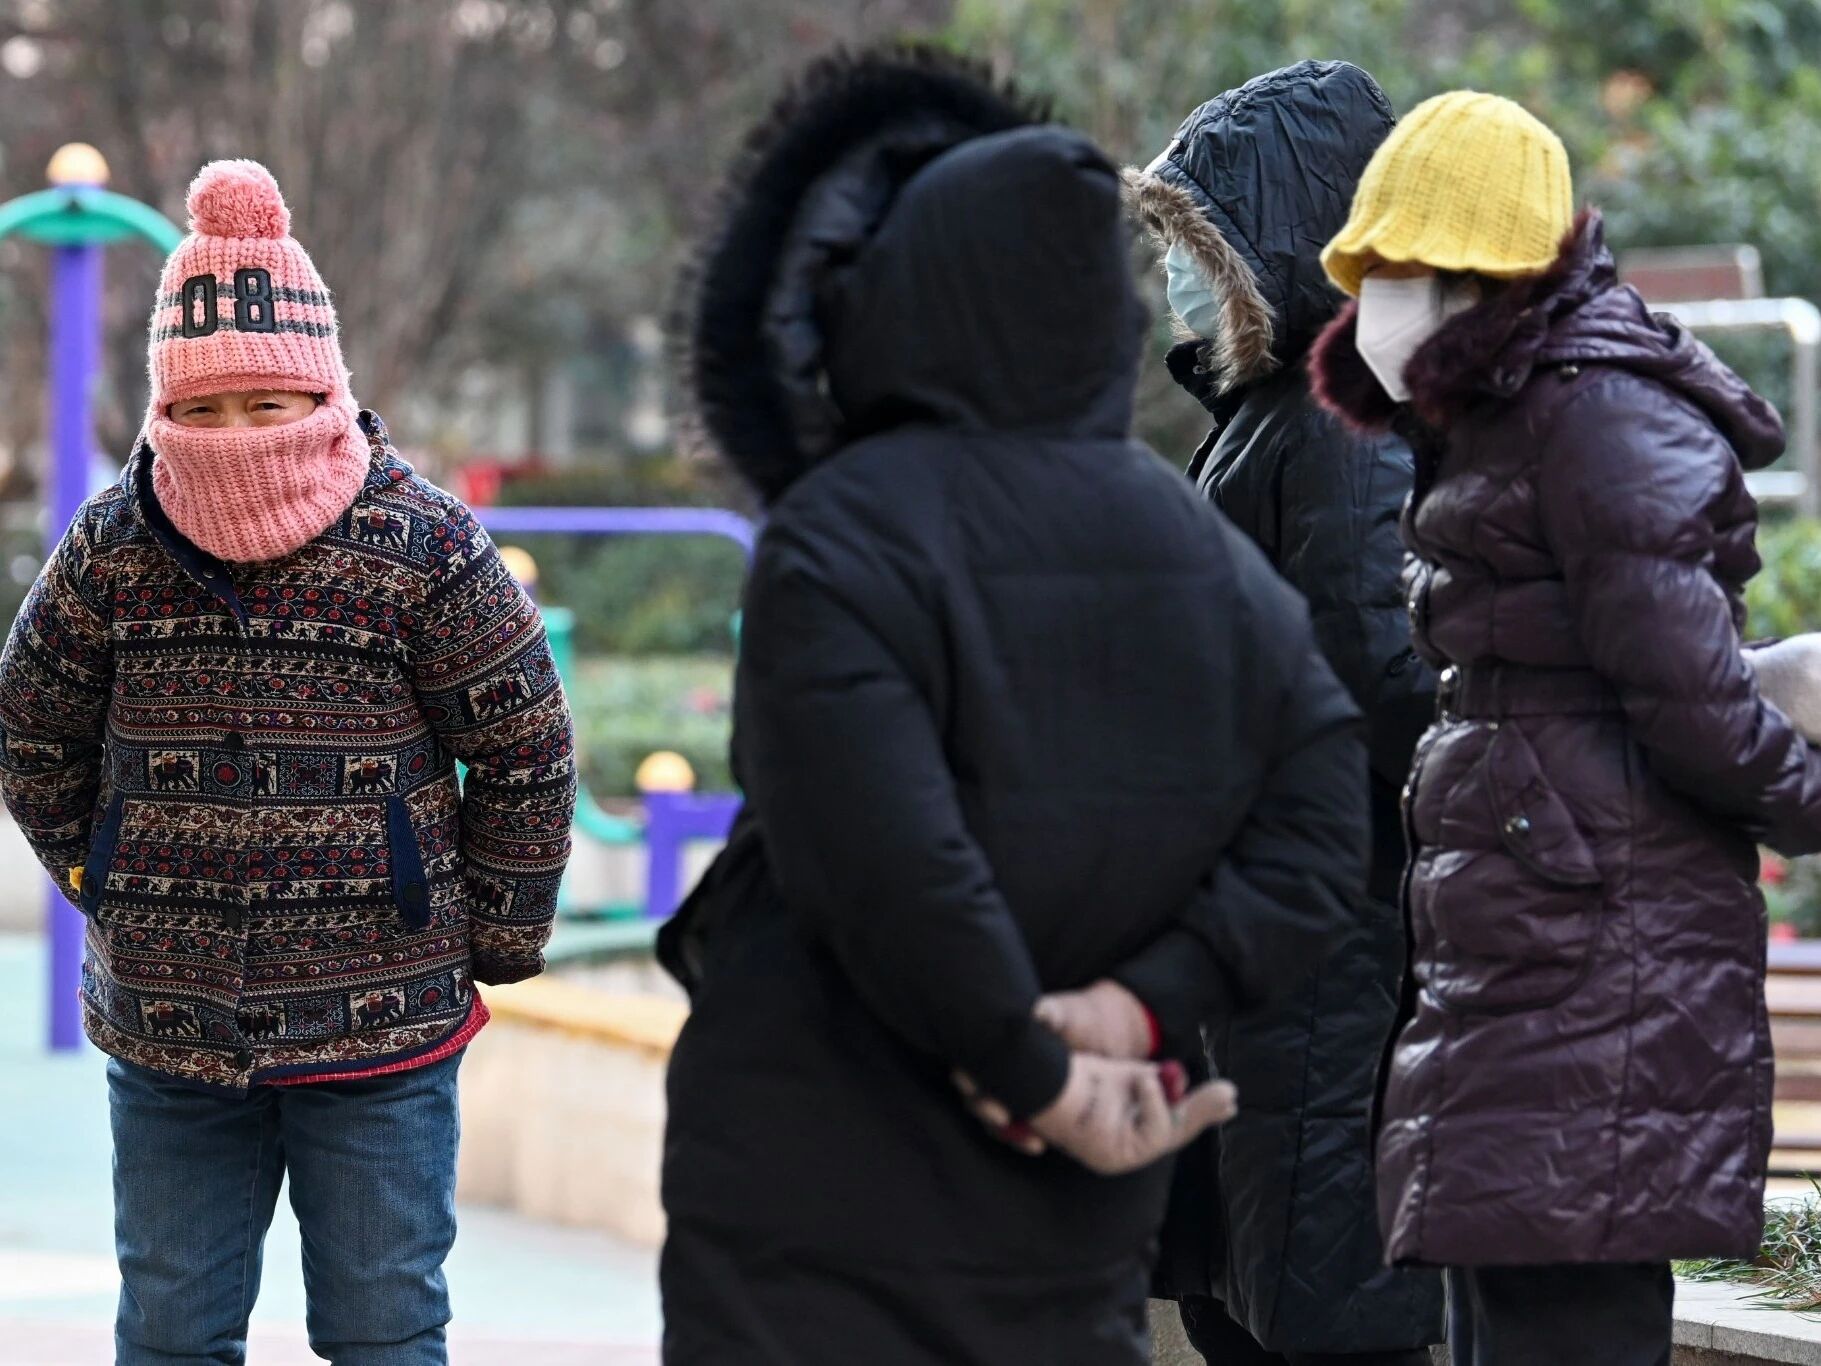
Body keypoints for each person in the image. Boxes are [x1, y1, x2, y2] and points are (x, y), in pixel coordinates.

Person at [658, 47, 1370, 1366]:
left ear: (903, 295)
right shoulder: (1190, 536)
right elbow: (1325, 818)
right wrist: (1137, 1008)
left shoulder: (838, 535)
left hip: (818, 1173)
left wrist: (1025, 1062)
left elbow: (888, 854)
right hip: (1077, 1200)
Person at [0, 160, 576, 1366]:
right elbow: (31, 722)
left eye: (266, 403)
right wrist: (102, 871)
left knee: (382, 1327)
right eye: (201, 408)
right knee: (170, 1328)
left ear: (322, 385)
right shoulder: (113, 547)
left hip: (384, 1020)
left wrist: (497, 932)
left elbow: (525, 743)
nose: (235, 436)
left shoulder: (422, 542)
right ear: (163, 404)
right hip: (169, 1018)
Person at [1308, 90, 1821, 1366]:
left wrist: (1808, 798)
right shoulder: (1500, 419)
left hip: (1597, 950)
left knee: (1565, 1306)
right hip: (1540, 950)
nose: (1379, 302)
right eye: (1372, 272)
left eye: (1409, 269)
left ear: (1488, 272)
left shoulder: (1595, 415)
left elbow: (1690, 696)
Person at [1120, 60, 1442, 1366]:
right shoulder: (1272, 417)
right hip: (1271, 954)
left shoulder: (1337, 427)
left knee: (1317, 1302)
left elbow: (1385, 677)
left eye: (1199, 249)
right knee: (1254, 1293)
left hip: (1328, 963)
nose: (1177, 278)